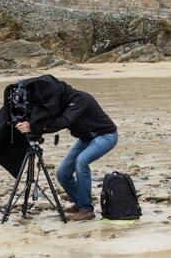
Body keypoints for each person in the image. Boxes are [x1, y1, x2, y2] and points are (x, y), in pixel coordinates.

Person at [15, 80, 118, 221]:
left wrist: (33, 126)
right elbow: (45, 117)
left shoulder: (81, 99)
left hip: (106, 135)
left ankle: (87, 210)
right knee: (62, 173)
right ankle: (80, 203)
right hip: (85, 139)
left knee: (82, 161)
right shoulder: (58, 102)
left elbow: (64, 121)